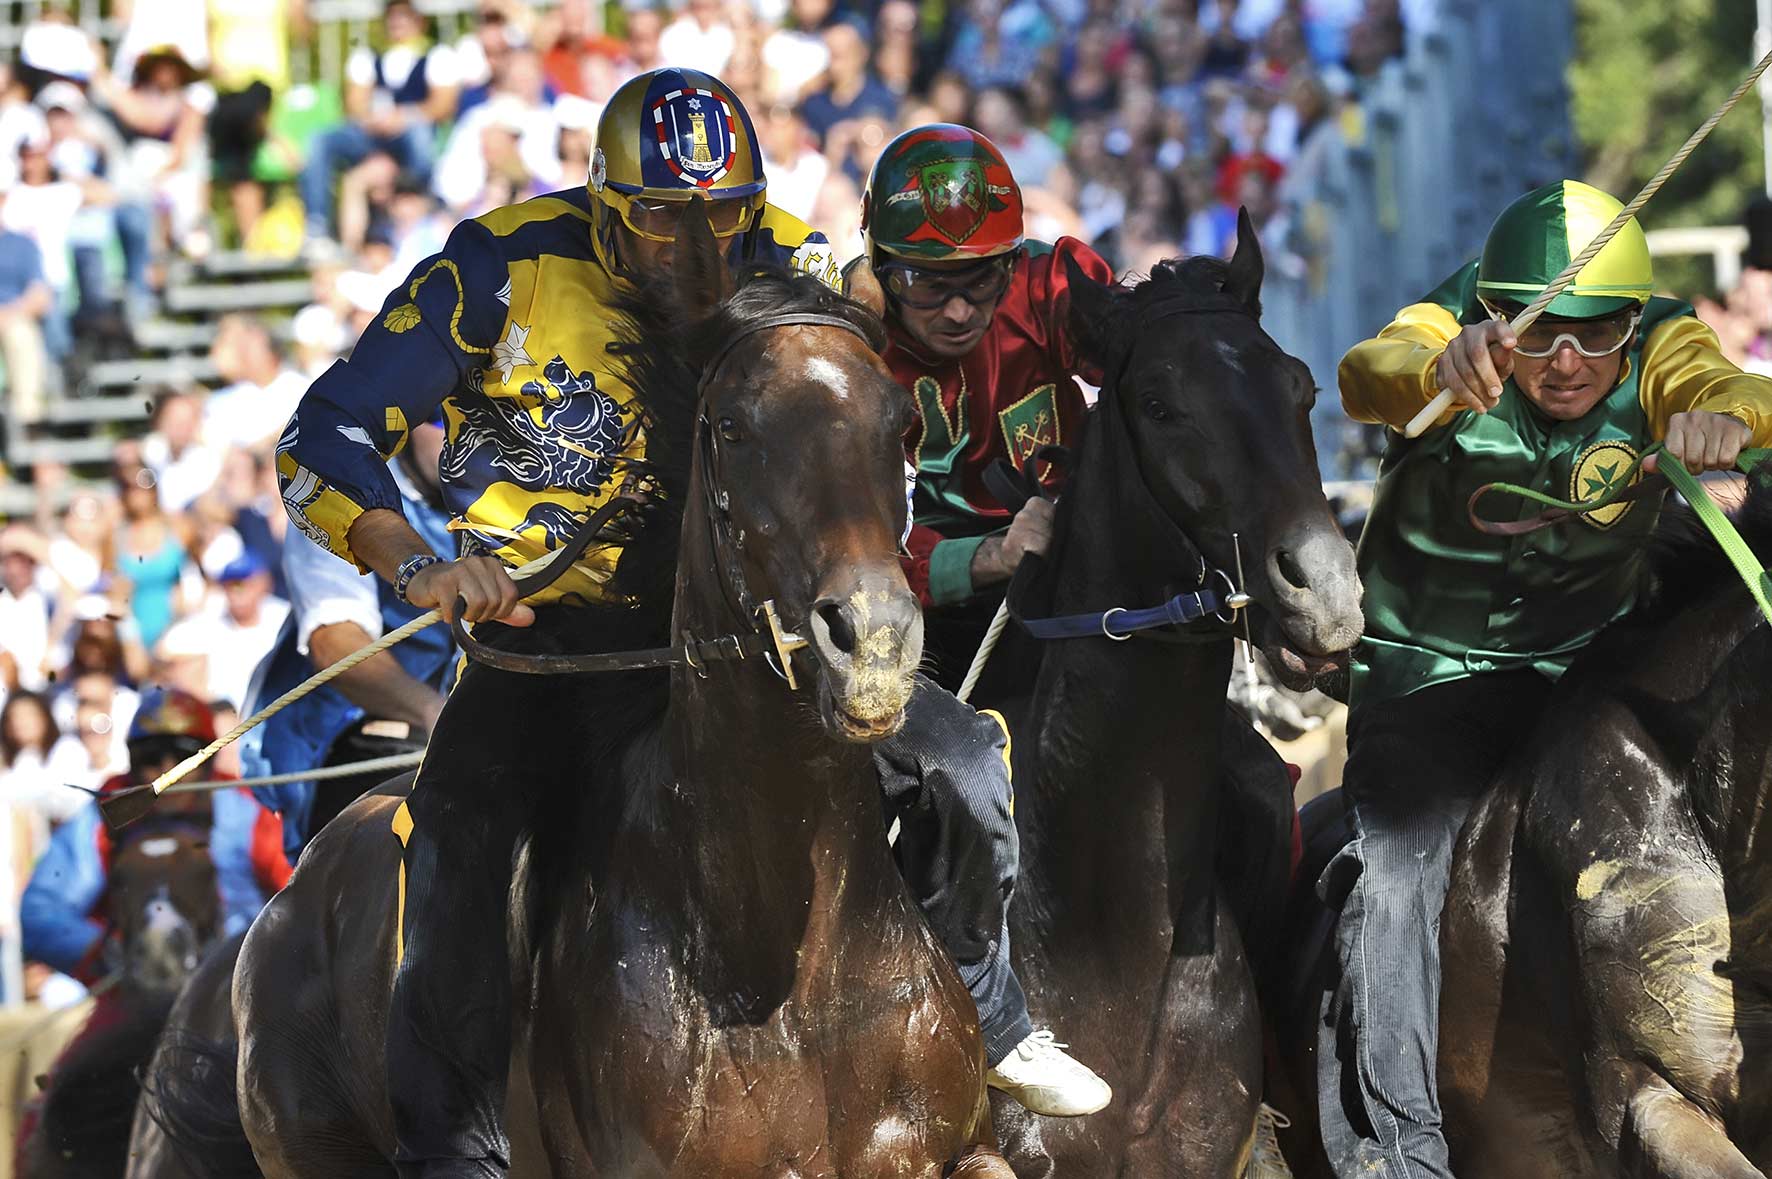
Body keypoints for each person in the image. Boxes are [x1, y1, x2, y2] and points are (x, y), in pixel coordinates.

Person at [275, 67, 1106, 1179]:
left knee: (958, 757)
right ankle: (452, 1150)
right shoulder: (496, 268)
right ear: (605, 200)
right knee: (458, 842)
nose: (697, 250)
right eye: (660, 221)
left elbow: (885, 368)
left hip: (749, 636)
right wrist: (420, 561)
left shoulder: (797, 262)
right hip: (552, 642)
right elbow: (321, 435)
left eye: (722, 218)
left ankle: (990, 1024)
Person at [1322, 179, 1772, 1177]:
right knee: (1395, 867)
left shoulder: (1661, 338)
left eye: (1594, 331)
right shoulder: (1450, 320)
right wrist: (1435, 365)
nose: (1566, 359)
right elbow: (1366, 373)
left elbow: (1741, 390)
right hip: (1431, 682)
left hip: (1589, 679)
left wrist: (1722, 419)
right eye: (1538, 332)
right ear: (1495, 313)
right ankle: (1394, 1155)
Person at [859, 124, 1114, 683]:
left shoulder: (1047, 287)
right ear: (877, 265)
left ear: (1013, 262)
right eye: (925, 284)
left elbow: (1136, 358)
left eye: (979, 280)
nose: (957, 312)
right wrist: (993, 556)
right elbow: (857, 540)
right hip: (923, 622)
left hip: (1074, 573)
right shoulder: (851, 352)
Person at [241, 419, 456, 860]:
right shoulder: (339, 495)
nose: (459, 433)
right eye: (441, 418)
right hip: (351, 738)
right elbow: (335, 644)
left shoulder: (515, 493)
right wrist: (435, 711)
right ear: (411, 423)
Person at [20, 688, 290, 983]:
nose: (167, 769)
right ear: (132, 761)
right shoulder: (107, 813)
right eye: (151, 756)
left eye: (184, 754)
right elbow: (40, 910)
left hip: (238, 983)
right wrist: (104, 953)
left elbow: (297, 896)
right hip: (133, 988)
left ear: (209, 758)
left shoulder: (247, 810)